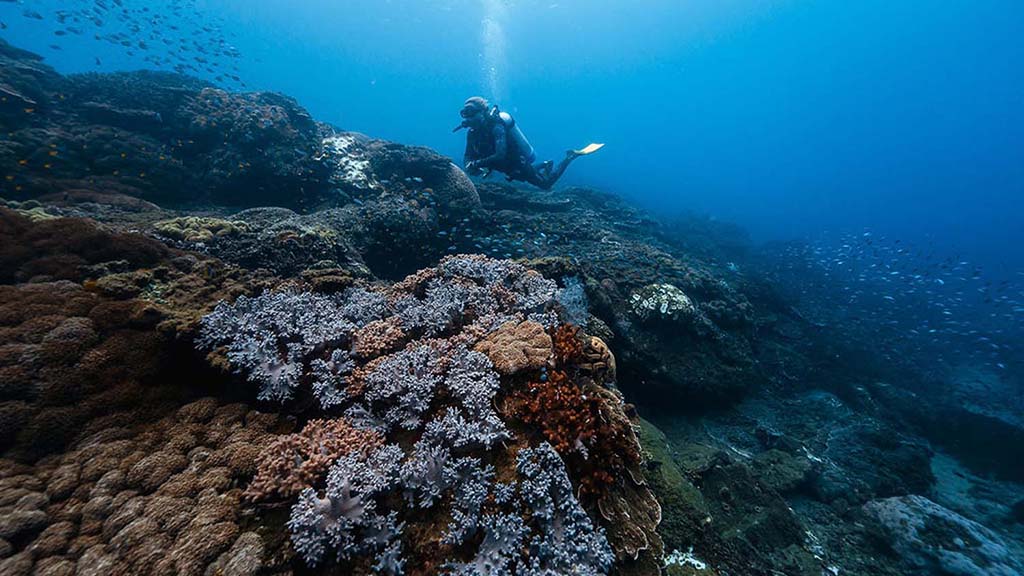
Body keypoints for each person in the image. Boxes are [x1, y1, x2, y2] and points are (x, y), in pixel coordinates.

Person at [454, 96, 603, 190]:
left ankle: (570, 156)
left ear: (482, 112)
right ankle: (545, 164)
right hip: (506, 167)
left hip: (517, 162)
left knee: (546, 185)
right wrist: (469, 165)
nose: (468, 119)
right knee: (520, 176)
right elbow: (468, 154)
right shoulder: (472, 133)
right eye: (465, 114)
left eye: (472, 113)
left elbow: (500, 155)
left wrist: (477, 164)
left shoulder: (497, 127)